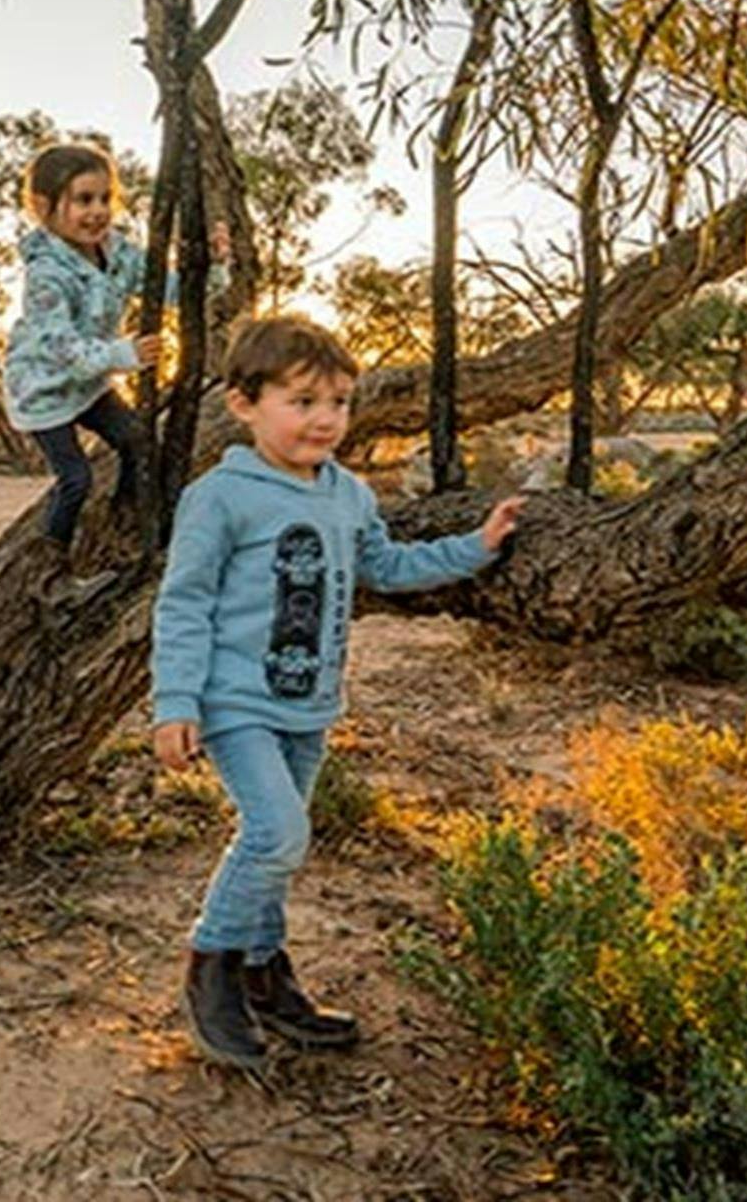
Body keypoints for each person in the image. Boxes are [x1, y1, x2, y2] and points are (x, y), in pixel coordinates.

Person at [151, 316, 524, 1069]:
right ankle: (210, 968)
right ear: (244, 403)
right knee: (277, 835)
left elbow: (386, 567)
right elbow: (183, 602)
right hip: (235, 701)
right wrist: (176, 703)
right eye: (302, 401)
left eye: (340, 402)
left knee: (279, 848)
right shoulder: (220, 496)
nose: (326, 419)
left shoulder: (348, 494)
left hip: (310, 705)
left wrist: (478, 549)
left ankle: (266, 975)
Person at [1, 143, 227, 570]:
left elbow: (173, 291)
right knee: (76, 479)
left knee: (138, 442)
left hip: (90, 384)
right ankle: (49, 561)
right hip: (44, 390)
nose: (98, 211)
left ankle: (122, 523)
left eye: (105, 198)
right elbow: (60, 347)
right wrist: (122, 354)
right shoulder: (46, 275)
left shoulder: (118, 252)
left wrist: (210, 266)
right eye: (83, 200)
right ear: (45, 208)